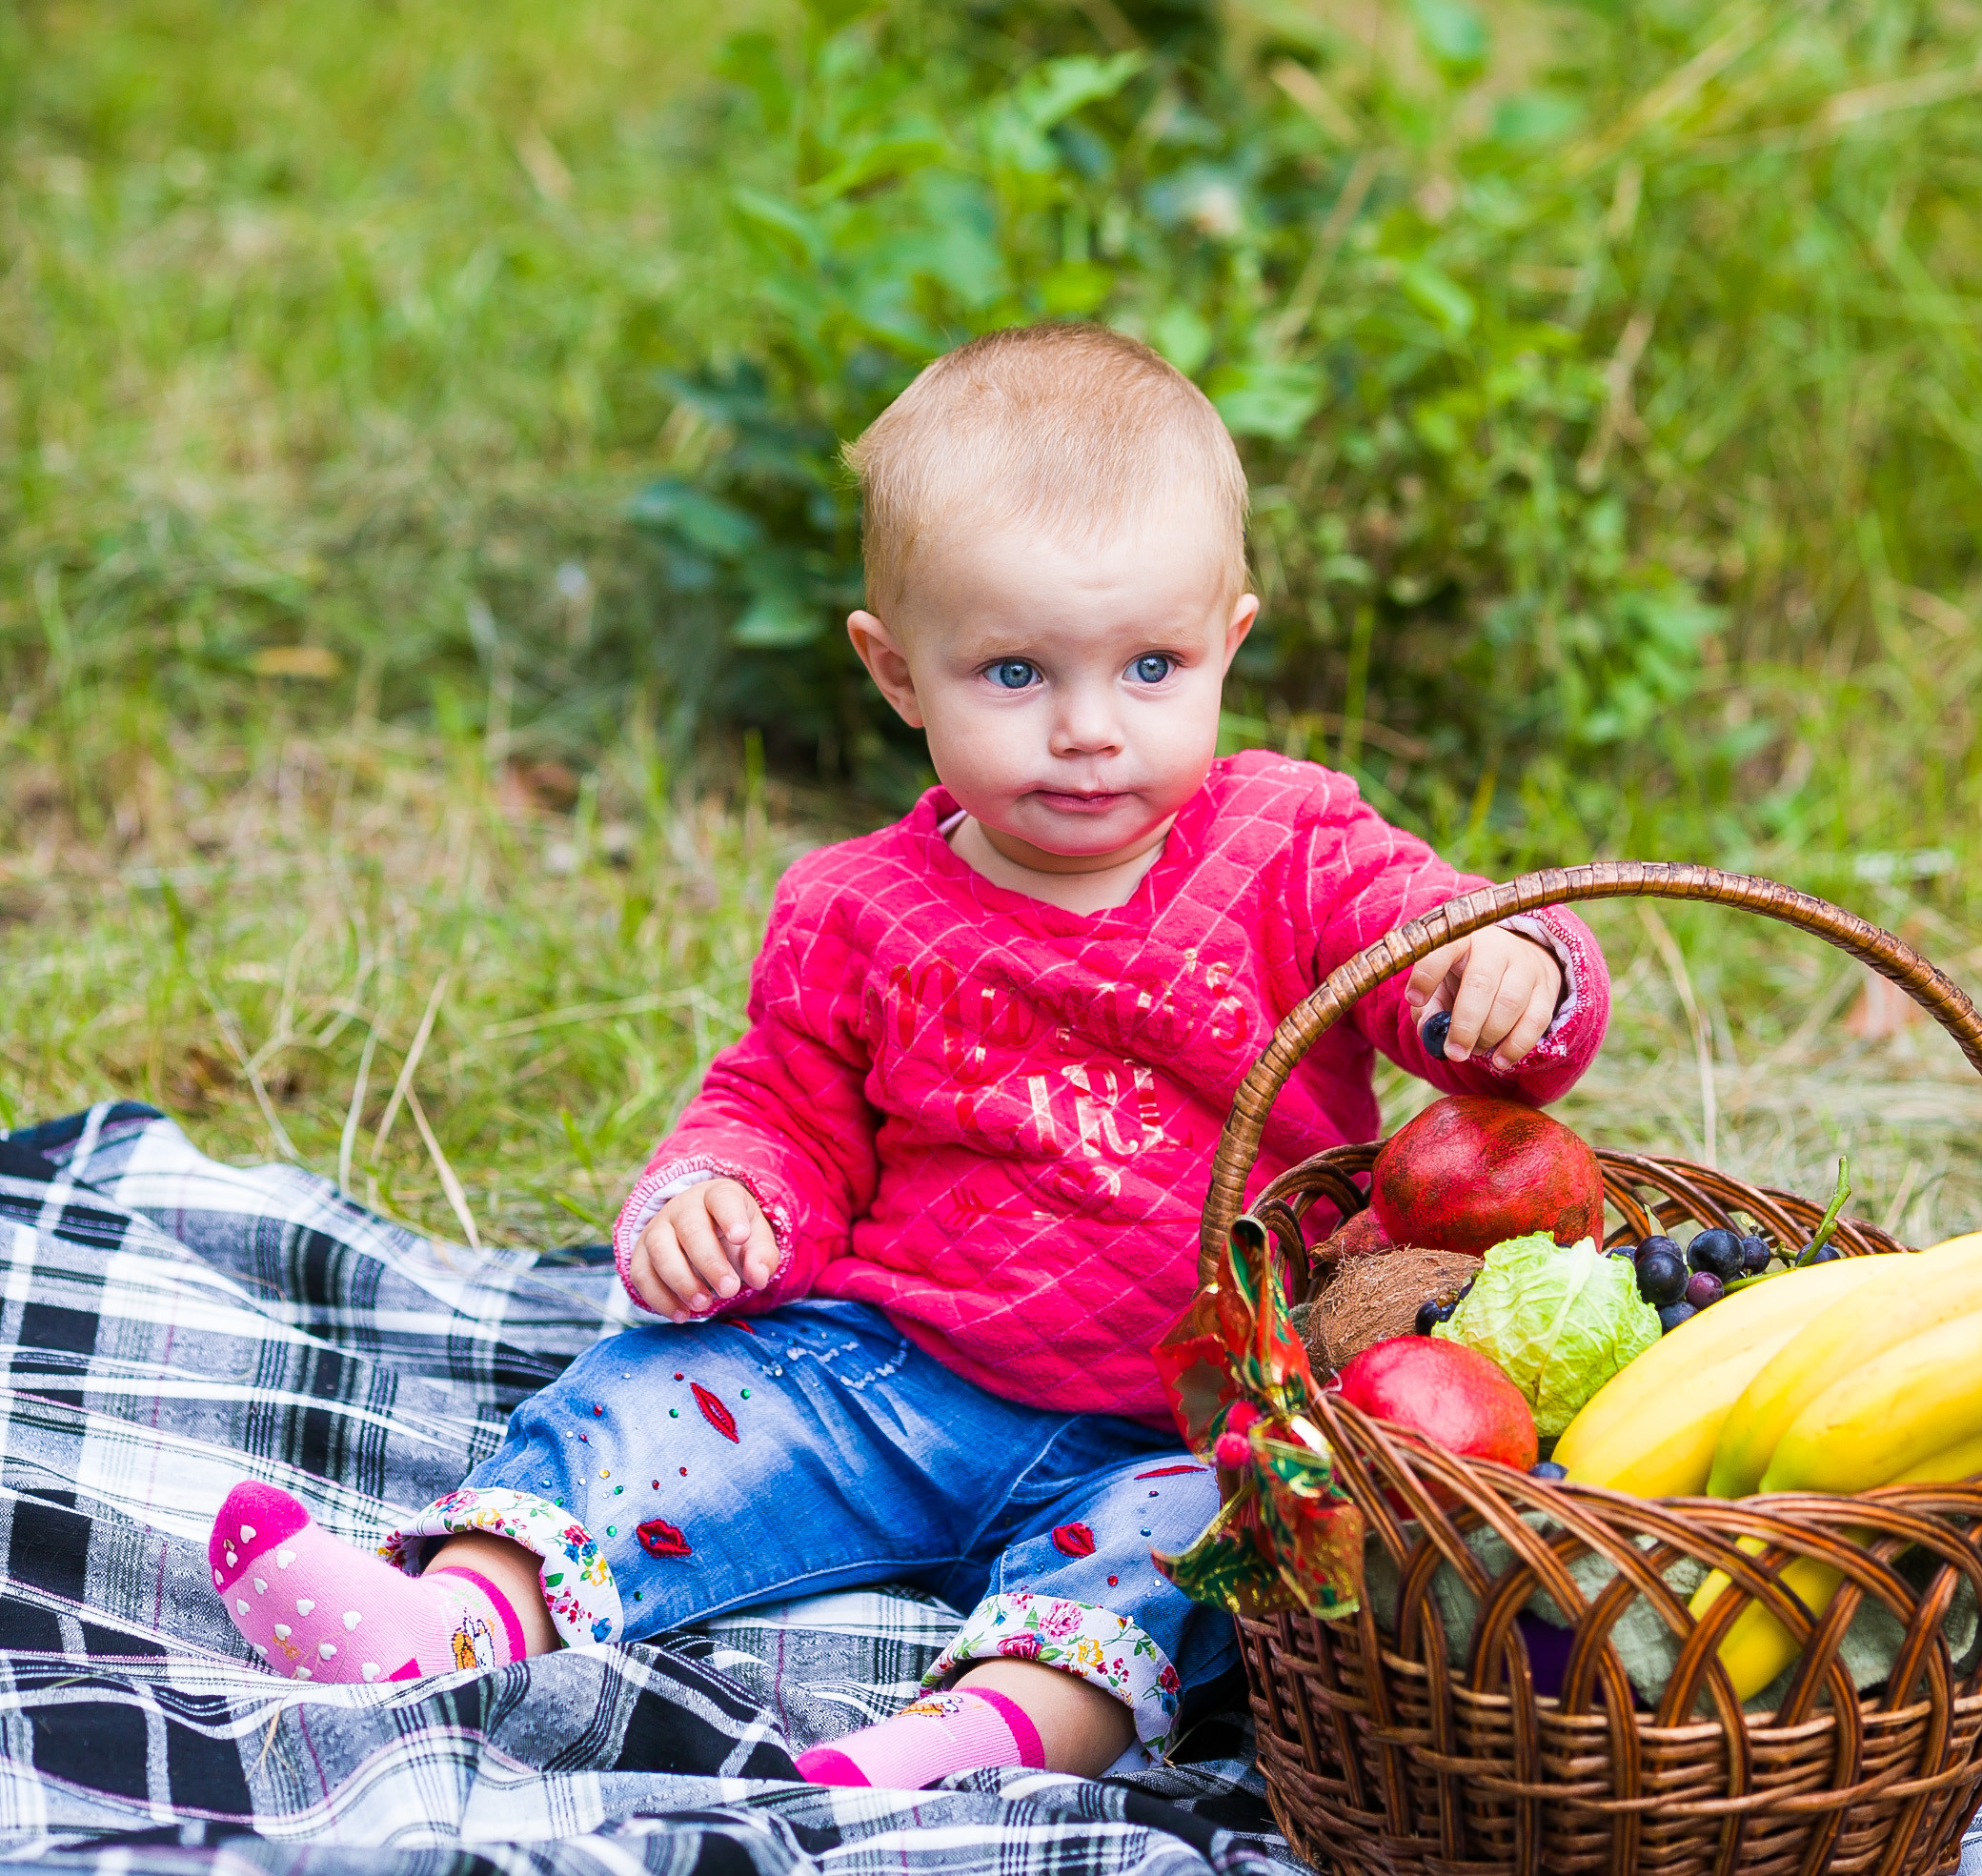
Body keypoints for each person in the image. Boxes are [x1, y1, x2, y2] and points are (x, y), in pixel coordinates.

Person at [209, 324, 1608, 1782]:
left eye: (1149, 666)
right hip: (887, 1377)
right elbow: (783, 1110)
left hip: (1190, 1412)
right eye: (1013, 672)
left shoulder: (1289, 844)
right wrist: (724, 1198)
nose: (1087, 732)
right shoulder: (855, 911)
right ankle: (455, 1618)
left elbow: (1430, 938)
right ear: (897, 673)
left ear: (1229, 644)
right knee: (650, 1400)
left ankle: (980, 1735)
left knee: (1227, 1542)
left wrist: (1503, 968)